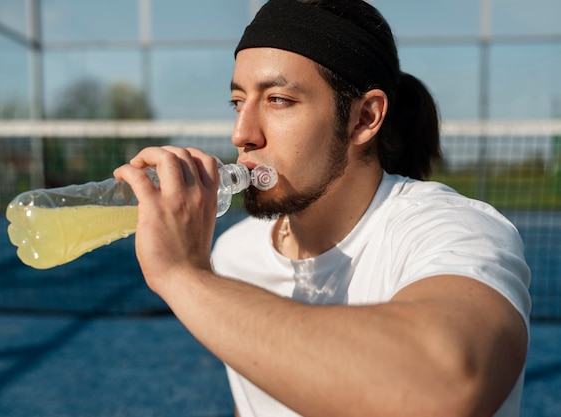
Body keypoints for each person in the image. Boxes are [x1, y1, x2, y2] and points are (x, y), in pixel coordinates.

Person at [113, 0, 531, 416]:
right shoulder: (233, 253)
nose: (242, 133)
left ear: (364, 118)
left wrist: (183, 276)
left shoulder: (455, 230)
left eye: (278, 100)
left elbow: (446, 385)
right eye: (238, 102)